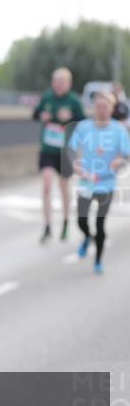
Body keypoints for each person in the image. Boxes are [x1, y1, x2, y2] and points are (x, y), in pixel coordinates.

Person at [68, 90, 130, 274]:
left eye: (106, 106)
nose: (102, 110)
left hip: (106, 183)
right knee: (81, 220)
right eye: (99, 106)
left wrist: (120, 161)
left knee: (100, 224)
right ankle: (87, 237)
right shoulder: (83, 127)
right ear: (93, 108)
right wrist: (76, 165)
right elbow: (71, 150)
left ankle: (98, 260)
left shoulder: (118, 130)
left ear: (111, 108)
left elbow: (127, 155)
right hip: (87, 182)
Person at [33, 67, 85, 242]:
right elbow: (34, 114)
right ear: (53, 82)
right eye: (57, 81)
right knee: (47, 183)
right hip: (47, 150)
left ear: (69, 83)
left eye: (63, 82)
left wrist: (70, 117)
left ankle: (65, 222)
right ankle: (47, 226)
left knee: (64, 188)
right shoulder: (47, 97)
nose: (60, 85)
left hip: (65, 152)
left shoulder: (74, 100)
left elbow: (83, 122)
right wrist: (42, 115)